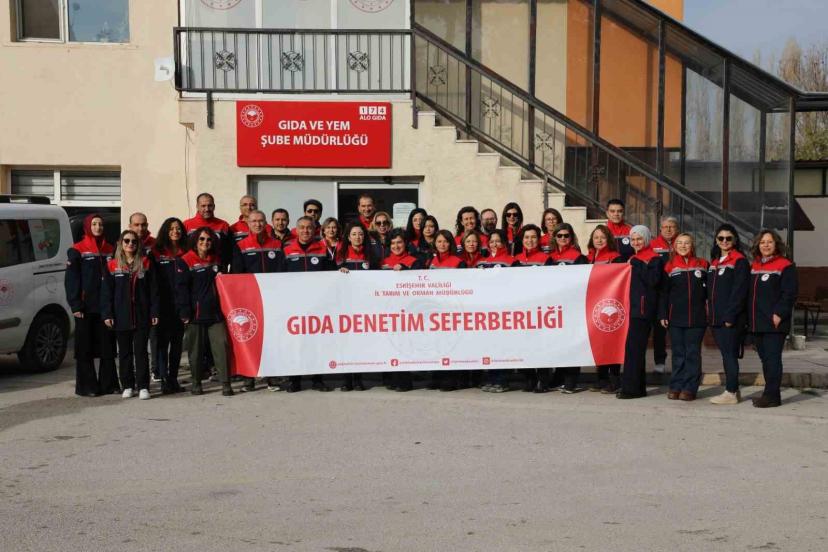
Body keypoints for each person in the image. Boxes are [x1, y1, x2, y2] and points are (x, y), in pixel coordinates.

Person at [175, 227, 233, 397]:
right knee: (196, 351)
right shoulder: (185, 260)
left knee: (222, 345)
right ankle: (196, 383)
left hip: (216, 313)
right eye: (201, 239)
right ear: (195, 241)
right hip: (195, 314)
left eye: (208, 240)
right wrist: (184, 312)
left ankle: (226, 383)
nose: (205, 242)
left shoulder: (217, 259)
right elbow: (181, 288)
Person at [101, 230, 159, 400]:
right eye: (126, 241)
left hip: (141, 315)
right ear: (120, 243)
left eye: (134, 241)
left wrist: (154, 311)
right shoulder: (112, 265)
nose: (130, 244)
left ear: (138, 244)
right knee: (124, 353)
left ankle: (143, 386)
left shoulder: (146, 263)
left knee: (141, 352)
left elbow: (154, 290)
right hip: (121, 316)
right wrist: (107, 314)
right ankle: (127, 385)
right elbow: (106, 292)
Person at [232, 210, 286, 392]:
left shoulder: (277, 245)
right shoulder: (241, 246)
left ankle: (272, 379)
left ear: (266, 223)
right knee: (250, 338)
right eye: (254, 221)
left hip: (272, 300)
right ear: (248, 223)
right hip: (250, 300)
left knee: (271, 339)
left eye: (261, 221)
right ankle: (249, 379)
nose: (258, 224)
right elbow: (237, 274)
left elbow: (282, 271)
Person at [65, 214, 118, 397]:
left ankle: (108, 384)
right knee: (85, 349)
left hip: (106, 307)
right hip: (85, 308)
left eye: (100, 224)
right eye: (94, 224)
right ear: (87, 227)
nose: (98, 227)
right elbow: (72, 280)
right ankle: (87, 387)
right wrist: (75, 305)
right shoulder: (77, 250)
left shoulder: (110, 249)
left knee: (107, 347)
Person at [283, 216, 335, 392]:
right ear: (296, 230)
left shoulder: (323, 249)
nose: (305, 231)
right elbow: (279, 278)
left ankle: (317, 379)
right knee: (296, 343)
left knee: (316, 343)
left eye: (309, 228)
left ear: (314, 230)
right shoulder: (287, 250)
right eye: (302, 227)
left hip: (317, 305)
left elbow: (332, 274)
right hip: (294, 306)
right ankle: (294, 380)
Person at [747, 229, 797, 408]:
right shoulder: (754, 265)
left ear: (776, 244)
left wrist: (779, 313)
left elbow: (789, 293)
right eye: (762, 242)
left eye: (769, 242)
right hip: (757, 322)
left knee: (772, 359)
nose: (766, 245)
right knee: (766, 359)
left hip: (774, 322)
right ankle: (771, 393)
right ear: (758, 245)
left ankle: (771, 396)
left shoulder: (785, 265)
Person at [659, 233, 708, 401]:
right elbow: (664, 293)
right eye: (679, 243)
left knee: (692, 354)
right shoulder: (669, 266)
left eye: (687, 243)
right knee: (678, 354)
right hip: (675, 318)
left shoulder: (703, 264)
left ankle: (689, 388)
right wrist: (663, 314)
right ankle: (676, 386)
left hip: (697, 318)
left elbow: (709, 291)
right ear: (675, 246)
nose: (683, 246)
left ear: (692, 245)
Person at [617, 225, 664, 399]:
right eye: (633, 239)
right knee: (634, 349)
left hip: (643, 309)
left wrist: (636, 263)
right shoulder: (634, 258)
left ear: (647, 239)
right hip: (633, 308)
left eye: (639, 239)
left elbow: (653, 280)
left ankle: (631, 389)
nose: (636, 242)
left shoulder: (653, 259)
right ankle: (637, 388)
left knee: (634, 349)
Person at [707, 224, 750, 405]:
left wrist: (730, 316)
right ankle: (734, 390)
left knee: (729, 355)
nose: (724, 241)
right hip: (716, 318)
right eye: (721, 238)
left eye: (728, 238)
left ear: (735, 240)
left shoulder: (739, 261)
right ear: (716, 240)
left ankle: (731, 392)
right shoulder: (715, 262)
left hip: (730, 319)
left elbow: (740, 291)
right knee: (726, 354)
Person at [336, 222, 378, 392]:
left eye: (360, 234)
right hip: (345, 305)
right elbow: (331, 277)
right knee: (346, 343)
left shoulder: (371, 255)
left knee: (360, 343)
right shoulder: (341, 255)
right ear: (348, 237)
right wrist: (339, 272)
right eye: (354, 234)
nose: (357, 237)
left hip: (364, 305)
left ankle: (359, 379)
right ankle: (347, 379)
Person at [381, 229, 423, 392]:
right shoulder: (383, 263)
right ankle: (391, 379)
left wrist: (405, 269)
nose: (396, 246)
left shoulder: (414, 261)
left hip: (408, 310)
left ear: (405, 243)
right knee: (390, 343)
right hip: (388, 309)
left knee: (404, 345)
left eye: (399, 242)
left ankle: (405, 381)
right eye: (393, 243)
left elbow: (419, 282)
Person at [548, 223, 587, 393]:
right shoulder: (550, 258)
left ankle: (571, 380)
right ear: (555, 237)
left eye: (566, 235)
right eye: (559, 235)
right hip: (554, 308)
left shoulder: (579, 257)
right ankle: (558, 377)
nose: (563, 238)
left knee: (572, 343)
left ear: (571, 237)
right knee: (558, 344)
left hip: (572, 308)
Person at [514, 224, 552, 392]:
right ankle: (529, 378)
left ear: (539, 240)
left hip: (540, 309)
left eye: (533, 237)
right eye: (527, 237)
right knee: (523, 345)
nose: (530, 240)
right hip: (521, 309)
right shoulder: (516, 260)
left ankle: (543, 380)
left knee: (541, 345)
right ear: (522, 240)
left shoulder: (546, 259)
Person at [586, 225, 624, 393]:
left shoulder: (616, 258)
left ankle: (614, 380)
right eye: (596, 237)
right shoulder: (587, 258)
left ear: (608, 239)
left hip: (610, 305)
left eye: (602, 237)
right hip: (591, 305)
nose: (599, 240)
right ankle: (601, 379)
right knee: (598, 343)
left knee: (611, 343)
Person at [152, 217, 187, 394]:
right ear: (166, 231)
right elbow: (152, 281)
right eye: (172, 228)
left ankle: (173, 378)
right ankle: (164, 378)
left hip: (180, 304)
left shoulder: (187, 251)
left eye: (178, 228)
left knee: (177, 344)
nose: (175, 231)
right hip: (162, 305)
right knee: (162, 344)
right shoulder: (156, 252)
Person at [478, 229, 515, 393]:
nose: (494, 244)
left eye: (498, 241)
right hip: (487, 311)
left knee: (503, 346)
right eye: (491, 241)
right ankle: (492, 378)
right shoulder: (482, 262)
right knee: (490, 346)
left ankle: (502, 380)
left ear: (504, 243)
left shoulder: (512, 261)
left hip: (505, 309)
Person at [649, 215, 679, 378]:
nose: (668, 229)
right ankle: (659, 363)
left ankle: (679, 363)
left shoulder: (682, 243)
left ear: (677, 229)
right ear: (660, 229)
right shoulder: (652, 245)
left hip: (676, 293)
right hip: (658, 294)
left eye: (671, 226)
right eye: (665, 227)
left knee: (677, 331)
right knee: (659, 331)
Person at [184, 193, 232, 269]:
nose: (207, 209)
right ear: (197, 206)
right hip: (193, 270)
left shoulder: (223, 225)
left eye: (210, 205)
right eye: (203, 206)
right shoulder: (187, 225)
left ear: (214, 206)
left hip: (218, 269)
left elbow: (229, 250)